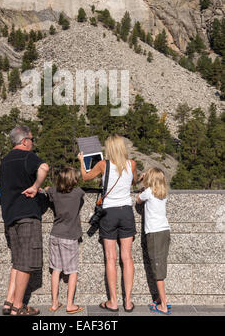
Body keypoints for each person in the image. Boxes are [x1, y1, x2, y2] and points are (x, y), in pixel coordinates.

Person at [78, 134, 138, 312]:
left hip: (109, 213)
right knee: (127, 258)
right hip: (126, 211)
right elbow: (134, 182)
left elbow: (85, 178)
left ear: (109, 148)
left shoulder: (103, 165)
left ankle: (113, 301)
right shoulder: (132, 164)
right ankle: (128, 301)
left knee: (110, 258)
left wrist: (82, 160)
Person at [0, 126, 49, 316]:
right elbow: (44, 168)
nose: (33, 142)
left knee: (18, 261)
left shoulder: (4, 161)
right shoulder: (28, 156)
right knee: (27, 263)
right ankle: (18, 306)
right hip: (27, 215)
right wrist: (36, 186)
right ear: (24, 141)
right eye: (32, 139)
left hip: (10, 216)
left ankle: (9, 302)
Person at [44, 167, 85, 314]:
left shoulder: (54, 192)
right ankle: (70, 304)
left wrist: (49, 187)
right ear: (73, 180)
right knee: (72, 271)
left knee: (56, 270)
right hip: (70, 236)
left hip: (55, 235)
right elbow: (82, 190)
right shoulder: (78, 192)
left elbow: (48, 189)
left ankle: (55, 303)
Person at [136, 168, 171, 315]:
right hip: (164, 231)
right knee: (160, 264)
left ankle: (163, 304)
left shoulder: (148, 192)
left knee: (157, 271)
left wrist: (142, 180)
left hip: (154, 233)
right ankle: (161, 298)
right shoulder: (163, 194)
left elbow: (138, 199)